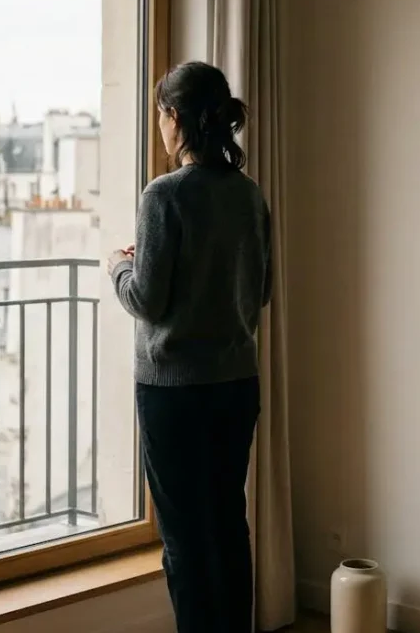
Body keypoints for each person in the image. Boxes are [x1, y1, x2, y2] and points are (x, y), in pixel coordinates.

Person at [107, 61, 272, 633]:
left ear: (174, 117)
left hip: (174, 395)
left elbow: (146, 300)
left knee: (184, 542)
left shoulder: (164, 195)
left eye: (160, 114)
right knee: (227, 528)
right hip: (236, 385)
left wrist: (119, 266)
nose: (159, 124)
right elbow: (261, 290)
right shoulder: (249, 195)